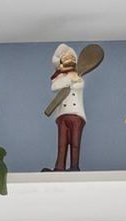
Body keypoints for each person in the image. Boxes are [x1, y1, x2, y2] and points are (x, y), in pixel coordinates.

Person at [47, 43, 87, 172]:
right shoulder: (60, 78)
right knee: (62, 144)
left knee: (75, 143)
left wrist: (74, 79)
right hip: (62, 115)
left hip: (76, 114)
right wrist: (70, 79)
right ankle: (59, 167)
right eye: (65, 57)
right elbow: (55, 87)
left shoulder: (79, 78)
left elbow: (78, 86)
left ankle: (74, 166)